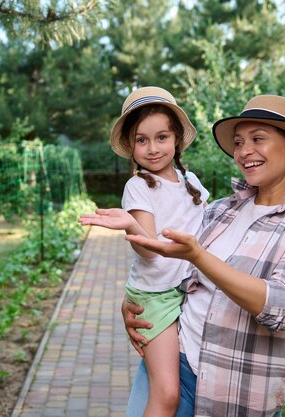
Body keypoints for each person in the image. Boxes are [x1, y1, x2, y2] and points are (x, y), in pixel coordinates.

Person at [119, 94, 285, 417]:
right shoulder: (222, 209)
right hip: (175, 368)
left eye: (257, 139)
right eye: (239, 142)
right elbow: (172, 268)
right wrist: (134, 301)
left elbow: (284, 306)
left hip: (235, 394)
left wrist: (199, 257)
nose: (244, 151)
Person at [79, 86, 210, 416]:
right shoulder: (137, 186)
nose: (152, 149)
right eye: (142, 140)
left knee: (188, 384)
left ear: (177, 139)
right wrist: (130, 225)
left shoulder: (190, 180)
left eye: (162, 137)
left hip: (188, 294)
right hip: (156, 298)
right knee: (167, 394)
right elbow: (150, 252)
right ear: (131, 146)